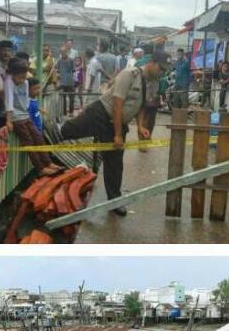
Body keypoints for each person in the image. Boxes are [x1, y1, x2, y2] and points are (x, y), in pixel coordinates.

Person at [58, 51, 169, 214]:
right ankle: (48, 135)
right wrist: (117, 134)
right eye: (161, 68)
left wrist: (140, 127)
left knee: (115, 163)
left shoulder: (153, 82)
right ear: (152, 62)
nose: (162, 72)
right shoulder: (128, 74)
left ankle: (114, 201)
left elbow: (141, 106)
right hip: (101, 113)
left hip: (117, 123)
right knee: (68, 130)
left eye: (165, 70)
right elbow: (118, 105)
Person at [6, 62, 59, 176]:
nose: (22, 80)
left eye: (24, 77)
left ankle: (48, 163)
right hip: (16, 118)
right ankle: (40, 169)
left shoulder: (25, 82)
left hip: (25, 116)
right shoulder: (9, 83)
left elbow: (26, 101)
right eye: (20, 77)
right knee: (28, 142)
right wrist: (9, 120)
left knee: (38, 137)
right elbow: (9, 102)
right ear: (13, 74)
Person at [57, 45, 75, 116]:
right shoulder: (59, 60)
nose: (62, 53)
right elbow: (57, 70)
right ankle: (64, 112)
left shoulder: (71, 60)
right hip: (62, 82)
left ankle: (71, 112)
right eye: (61, 52)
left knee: (71, 98)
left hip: (70, 82)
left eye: (63, 52)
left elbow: (73, 70)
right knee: (63, 98)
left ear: (66, 52)